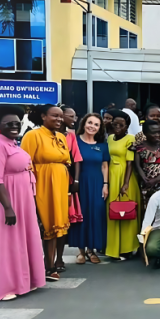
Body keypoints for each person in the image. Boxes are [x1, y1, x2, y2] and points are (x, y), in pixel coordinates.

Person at [0, 105, 46, 301]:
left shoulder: (12, 143)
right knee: (6, 242)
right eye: (8, 124)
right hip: (5, 198)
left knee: (24, 239)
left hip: (22, 196)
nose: (14, 127)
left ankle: (25, 281)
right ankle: (5, 288)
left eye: (17, 123)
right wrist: (8, 208)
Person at [21, 104, 71, 280]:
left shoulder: (61, 137)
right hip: (43, 184)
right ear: (43, 116)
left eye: (61, 116)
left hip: (60, 185)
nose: (59, 119)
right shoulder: (33, 135)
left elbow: (67, 161)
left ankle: (55, 262)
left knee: (59, 223)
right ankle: (48, 267)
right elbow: (25, 164)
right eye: (54, 116)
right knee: (47, 224)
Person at [69, 113, 109, 265]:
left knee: (96, 214)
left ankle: (91, 250)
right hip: (80, 183)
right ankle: (81, 251)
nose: (92, 126)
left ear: (100, 128)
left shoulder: (102, 145)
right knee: (81, 214)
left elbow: (104, 166)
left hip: (97, 183)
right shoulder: (75, 141)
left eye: (96, 124)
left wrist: (105, 185)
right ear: (84, 124)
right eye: (90, 123)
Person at [106, 109, 141, 260]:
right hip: (111, 175)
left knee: (126, 211)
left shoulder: (130, 139)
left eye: (121, 125)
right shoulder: (110, 138)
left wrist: (125, 184)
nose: (118, 127)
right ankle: (113, 248)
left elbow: (130, 163)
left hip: (125, 176)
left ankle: (127, 248)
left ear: (127, 126)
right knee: (112, 211)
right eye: (115, 124)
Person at [134, 120, 160, 211]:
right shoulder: (140, 147)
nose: (156, 135)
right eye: (153, 133)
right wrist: (144, 178)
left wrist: (158, 178)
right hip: (147, 183)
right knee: (148, 208)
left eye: (158, 132)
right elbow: (137, 165)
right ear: (145, 133)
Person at [60, 106, 83, 227]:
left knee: (66, 210)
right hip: (50, 175)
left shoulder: (71, 135)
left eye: (75, 117)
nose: (74, 119)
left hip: (66, 177)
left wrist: (76, 180)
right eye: (71, 116)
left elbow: (77, 158)